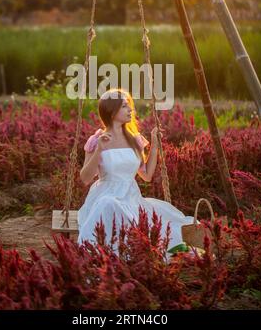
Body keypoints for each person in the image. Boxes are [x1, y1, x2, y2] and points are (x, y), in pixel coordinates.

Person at [77, 88, 194, 257]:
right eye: (125, 106)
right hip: (104, 195)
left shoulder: (134, 140)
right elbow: (85, 178)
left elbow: (146, 175)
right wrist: (99, 150)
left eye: (129, 106)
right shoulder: (97, 140)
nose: (130, 109)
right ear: (112, 111)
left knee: (169, 226)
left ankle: (132, 252)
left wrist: (154, 144)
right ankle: (110, 254)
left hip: (131, 198)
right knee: (109, 204)